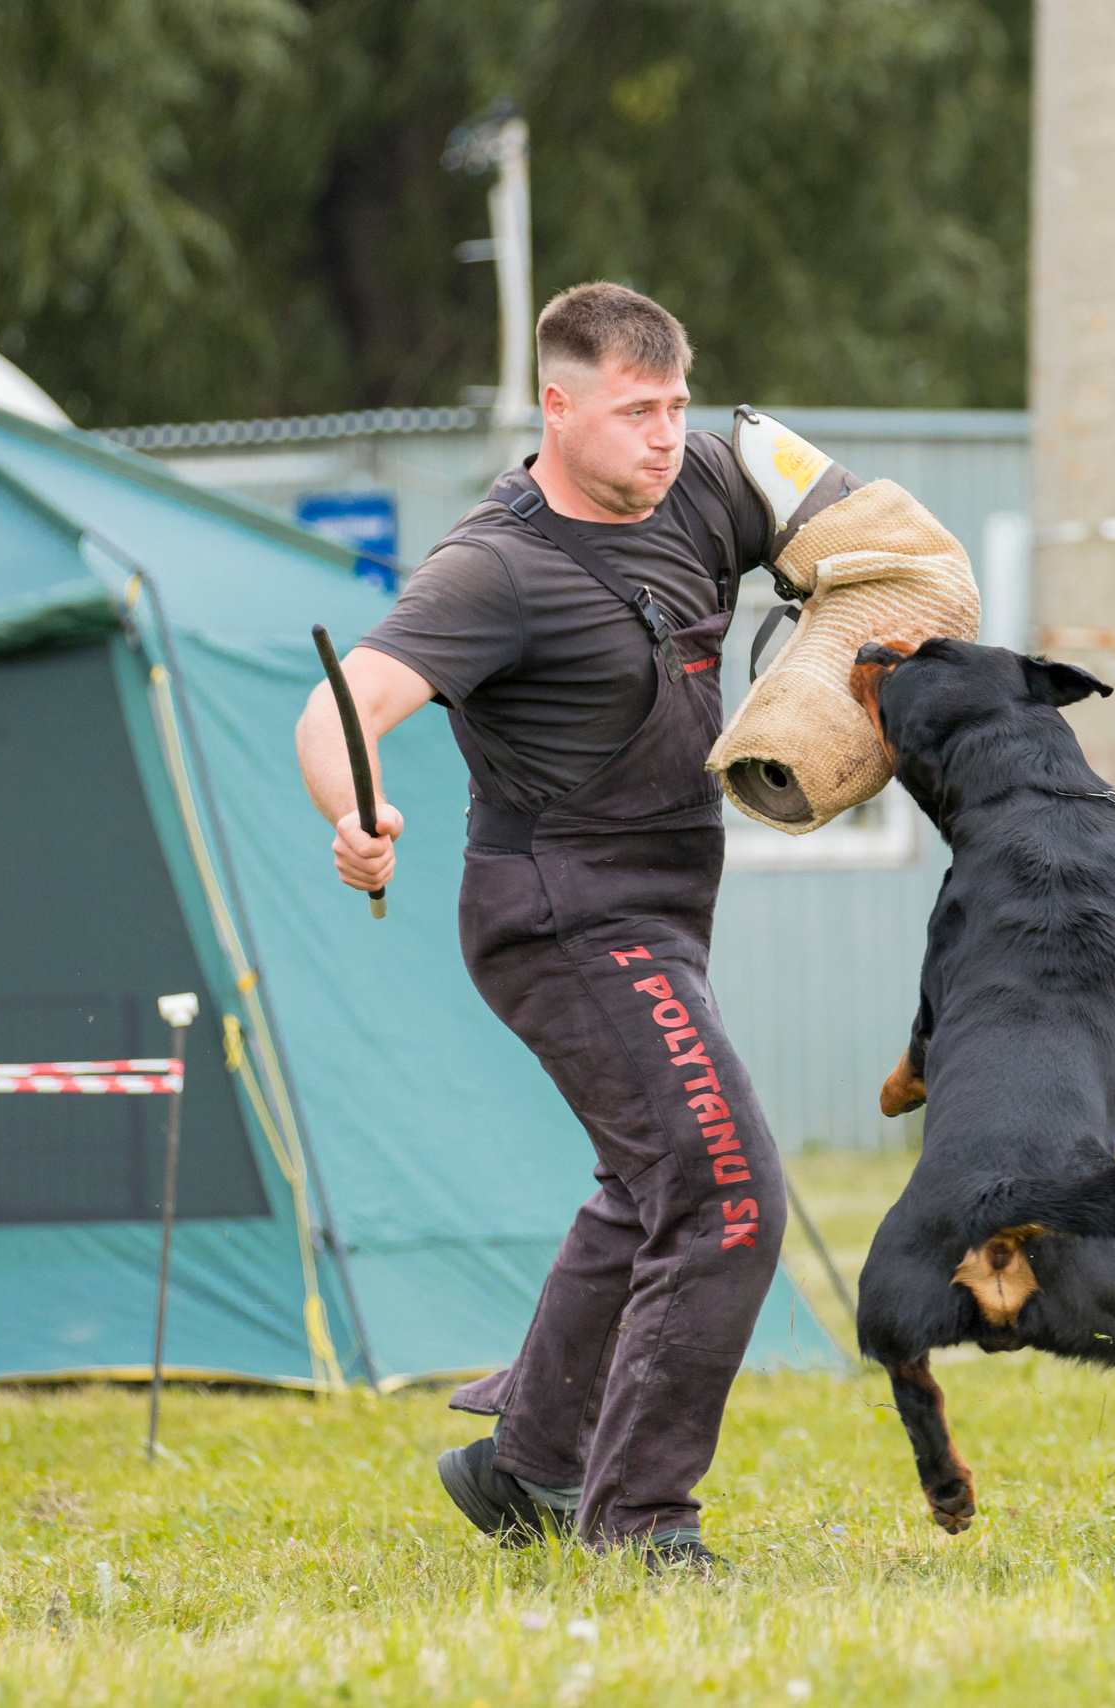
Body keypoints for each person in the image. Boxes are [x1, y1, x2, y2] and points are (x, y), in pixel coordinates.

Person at [298, 283, 820, 1571]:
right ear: (558, 406)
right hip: (560, 915)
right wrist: (354, 817)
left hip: (665, 904)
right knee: (727, 1193)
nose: (665, 434)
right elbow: (338, 712)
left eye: (678, 404)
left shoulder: (704, 479)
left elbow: (839, 512)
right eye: (636, 410)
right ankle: (640, 1522)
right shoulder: (494, 567)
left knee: (650, 1181)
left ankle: (522, 1467)